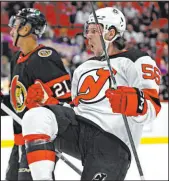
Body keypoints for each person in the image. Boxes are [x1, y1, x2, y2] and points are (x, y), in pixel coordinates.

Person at [21, 7, 161, 180]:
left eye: (94, 30)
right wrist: (47, 101)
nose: (88, 35)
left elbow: (152, 107)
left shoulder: (137, 59)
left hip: (111, 144)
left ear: (111, 33)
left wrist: (135, 103)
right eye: (87, 30)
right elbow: (74, 109)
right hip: (78, 131)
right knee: (36, 116)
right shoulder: (83, 68)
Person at [4, 8, 71, 180]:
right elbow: (17, 102)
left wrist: (45, 101)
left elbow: (66, 102)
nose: (11, 29)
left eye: (15, 24)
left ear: (25, 29)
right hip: (19, 141)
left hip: (38, 141)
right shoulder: (16, 58)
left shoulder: (44, 57)